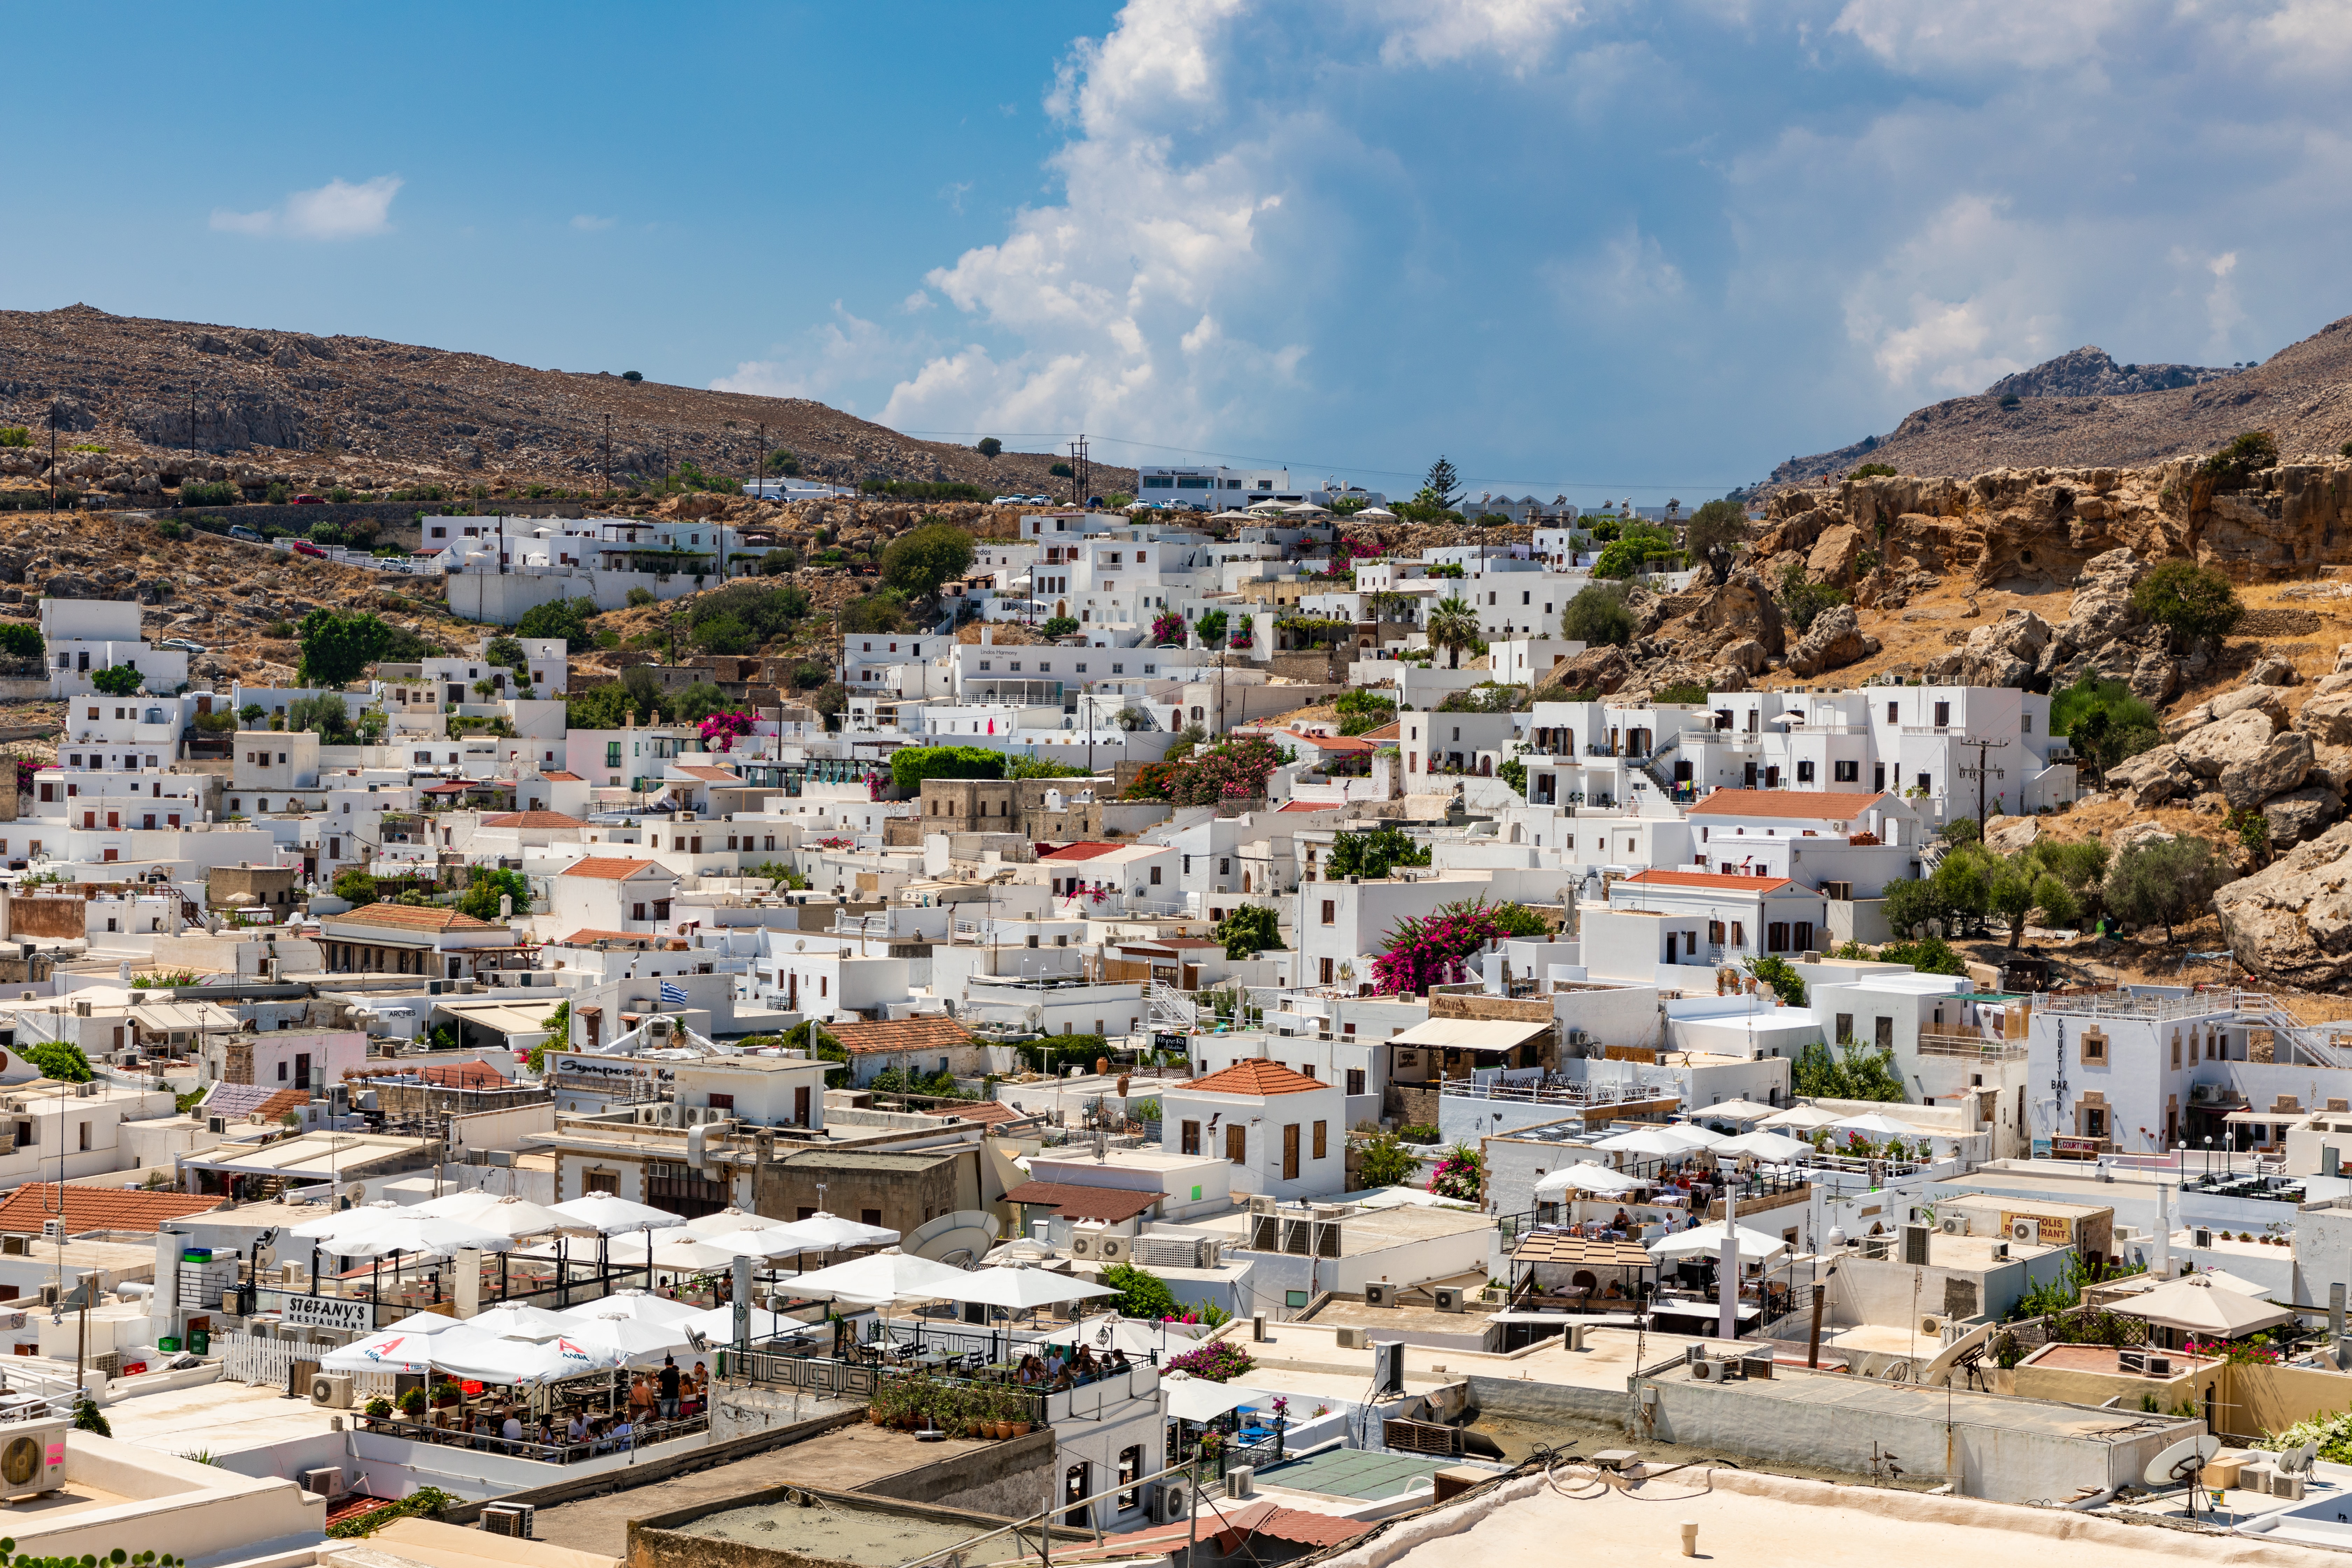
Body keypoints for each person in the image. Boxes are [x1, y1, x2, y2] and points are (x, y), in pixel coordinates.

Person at [658, 1356, 682, 1422]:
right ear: (673, 1363)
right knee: (675, 1416)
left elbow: (659, 1387)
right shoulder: (677, 1374)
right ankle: (675, 1431)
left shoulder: (662, 1373)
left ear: (665, 1364)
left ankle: (664, 1432)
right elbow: (678, 1388)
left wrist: (659, 1390)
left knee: (664, 1417)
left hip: (666, 1397)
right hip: (675, 1397)